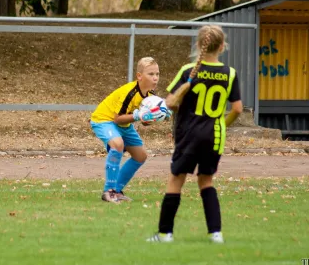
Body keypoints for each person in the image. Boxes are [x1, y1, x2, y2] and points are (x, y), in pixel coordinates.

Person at [147, 25, 243, 243]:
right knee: (206, 181)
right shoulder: (230, 74)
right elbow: (237, 109)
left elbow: (170, 103)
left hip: (189, 135)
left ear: (199, 45)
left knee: (176, 181)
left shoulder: (188, 71)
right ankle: (215, 234)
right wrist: (222, 124)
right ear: (222, 46)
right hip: (214, 137)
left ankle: (164, 234)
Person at [90, 57, 168, 203]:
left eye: (157, 74)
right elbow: (117, 118)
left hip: (124, 125)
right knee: (118, 145)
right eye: (151, 74)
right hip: (103, 120)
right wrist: (138, 115)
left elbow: (144, 122)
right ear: (139, 76)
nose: (155, 78)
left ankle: (117, 191)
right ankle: (109, 191)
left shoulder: (151, 97)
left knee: (141, 156)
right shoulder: (130, 92)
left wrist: (157, 116)